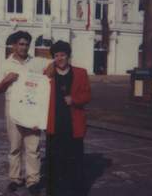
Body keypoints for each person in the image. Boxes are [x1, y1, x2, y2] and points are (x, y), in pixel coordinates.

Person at [0, 31, 53, 196]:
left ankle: (32, 180)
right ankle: (15, 179)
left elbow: (55, 66)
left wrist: (48, 72)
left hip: (33, 107)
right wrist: (6, 80)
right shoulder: (5, 65)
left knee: (33, 146)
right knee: (15, 145)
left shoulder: (37, 62)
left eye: (27, 44)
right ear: (13, 46)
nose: (24, 47)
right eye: (21, 44)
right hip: (13, 106)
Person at [44, 40, 92, 196]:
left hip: (73, 124)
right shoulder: (48, 74)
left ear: (68, 56)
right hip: (54, 123)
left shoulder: (80, 72)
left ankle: (76, 191)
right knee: (55, 161)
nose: (59, 58)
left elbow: (88, 95)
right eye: (56, 55)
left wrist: (75, 99)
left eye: (62, 55)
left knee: (75, 160)